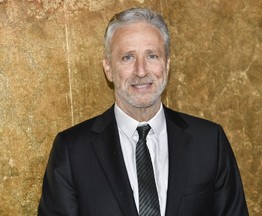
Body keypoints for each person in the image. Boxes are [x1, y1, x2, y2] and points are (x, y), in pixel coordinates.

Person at [38, 7, 249, 216]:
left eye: (152, 56)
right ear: (109, 69)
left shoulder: (210, 142)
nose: (141, 71)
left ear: (166, 65)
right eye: (127, 57)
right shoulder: (72, 151)